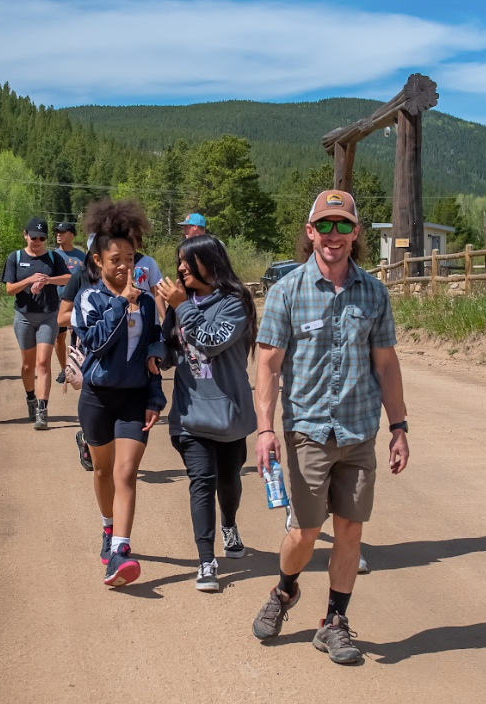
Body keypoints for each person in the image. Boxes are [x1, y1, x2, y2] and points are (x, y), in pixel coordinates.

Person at [250, 190, 409, 665]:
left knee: (350, 532)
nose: (334, 236)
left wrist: (399, 426)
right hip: (307, 430)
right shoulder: (287, 292)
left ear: (356, 233)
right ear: (310, 231)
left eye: (344, 226)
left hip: (358, 431)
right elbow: (268, 366)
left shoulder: (374, 293)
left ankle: (334, 623)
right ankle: (284, 591)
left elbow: (386, 365)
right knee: (304, 531)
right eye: (326, 225)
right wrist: (264, 430)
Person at [73, 199, 165, 588]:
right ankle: (108, 527)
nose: (125, 265)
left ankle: (121, 552)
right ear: (97, 261)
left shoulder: (145, 303)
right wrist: (119, 303)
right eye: (116, 259)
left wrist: (155, 396)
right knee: (102, 470)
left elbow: (152, 350)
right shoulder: (88, 299)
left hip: (132, 398)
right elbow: (95, 343)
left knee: (127, 472)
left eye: (130, 257)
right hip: (96, 397)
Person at [157, 235, 257, 592]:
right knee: (203, 481)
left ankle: (229, 523)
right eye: (179, 261)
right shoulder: (179, 304)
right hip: (190, 414)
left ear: (210, 262)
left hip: (228, 413)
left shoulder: (235, 303)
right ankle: (206, 561)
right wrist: (158, 346)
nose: (180, 267)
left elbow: (212, 341)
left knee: (229, 481)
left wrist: (182, 307)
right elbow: (171, 353)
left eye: (187, 260)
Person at [2, 217, 71, 430]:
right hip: (24, 317)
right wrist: (30, 280)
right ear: (25, 235)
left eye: (42, 238)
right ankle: (31, 397)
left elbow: (68, 277)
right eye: (34, 237)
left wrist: (48, 280)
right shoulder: (15, 257)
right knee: (27, 365)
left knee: (43, 363)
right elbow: (10, 289)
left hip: (48, 316)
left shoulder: (52, 257)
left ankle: (42, 409)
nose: (38, 241)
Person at [58, 233, 99, 471]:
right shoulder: (79, 278)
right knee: (92, 398)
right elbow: (62, 317)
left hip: (118, 349)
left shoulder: (123, 278)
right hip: (87, 348)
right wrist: (90, 321)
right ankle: (86, 437)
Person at [53, 222, 86, 383]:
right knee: (59, 338)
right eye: (57, 232)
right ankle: (63, 368)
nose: (58, 234)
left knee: (77, 336)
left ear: (72, 235)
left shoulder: (82, 257)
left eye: (62, 232)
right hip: (57, 302)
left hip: (77, 304)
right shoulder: (52, 256)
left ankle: (77, 365)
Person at [131, 230, 167, 319]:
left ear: (138, 241)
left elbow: (157, 293)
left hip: (146, 316)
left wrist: (166, 320)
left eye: (131, 239)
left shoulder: (148, 262)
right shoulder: (115, 265)